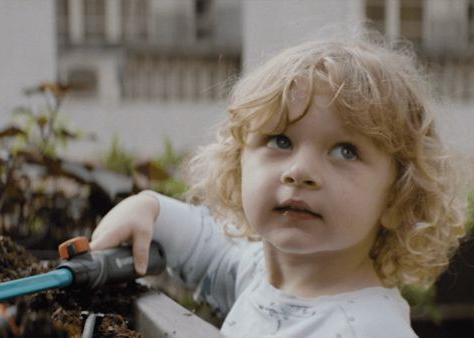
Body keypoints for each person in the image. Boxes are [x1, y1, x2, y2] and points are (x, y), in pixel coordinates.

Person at [90, 33, 467, 337]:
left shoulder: (370, 329)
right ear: (240, 166)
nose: (300, 171)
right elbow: (207, 248)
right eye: (281, 141)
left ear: (397, 199)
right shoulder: (260, 272)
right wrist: (149, 208)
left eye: (346, 151)